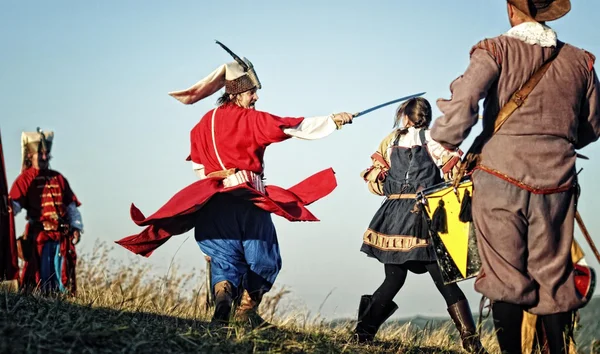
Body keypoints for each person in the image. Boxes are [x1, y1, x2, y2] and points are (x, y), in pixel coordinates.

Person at [117, 41, 354, 327]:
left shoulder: (203, 123)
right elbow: (290, 126)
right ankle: (246, 311)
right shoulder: (250, 119)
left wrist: (211, 184)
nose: (255, 98)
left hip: (213, 203)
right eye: (252, 92)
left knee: (224, 261)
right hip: (248, 203)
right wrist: (333, 120)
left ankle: (223, 302)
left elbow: (199, 166)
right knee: (264, 258)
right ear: (238, 91)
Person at [429, 1, 600, 353]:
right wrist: (555, 141)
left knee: (504, 278)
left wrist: (444, 138)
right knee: (554, 281)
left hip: (499, 177)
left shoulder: (495, 49)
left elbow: (463, 104)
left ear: (511, 9)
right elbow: (593, 126)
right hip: (558, 182)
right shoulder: (581, 60)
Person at [354, 97, 484, 353]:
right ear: (426, 116)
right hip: (422, 216)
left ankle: (362, 334)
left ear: (404, 116)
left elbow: (375, 180)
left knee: (393, 280)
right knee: (444, 280)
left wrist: (391, 188)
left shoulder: (391, 141)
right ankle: (471, 341)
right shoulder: (437, 142)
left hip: (391, 217)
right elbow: (455, 177)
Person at [10, 129, 83, 295]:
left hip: (61, 237)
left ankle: (62, 302)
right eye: (40, 153)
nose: (44, 157)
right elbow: (14, 205)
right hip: (39, 237)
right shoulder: (25, 179)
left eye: (46, 153)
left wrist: (76, 227)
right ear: (30, 155)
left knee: (62, 276)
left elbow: (71, 206)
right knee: (39, 277)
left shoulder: (58, 178)